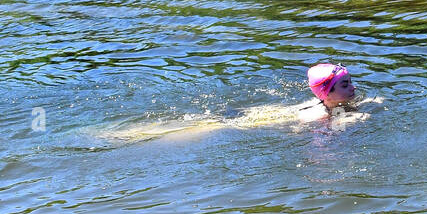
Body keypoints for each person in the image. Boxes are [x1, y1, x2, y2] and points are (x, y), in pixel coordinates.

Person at [98, 63, 380, 143]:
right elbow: (321, 141)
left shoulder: (323, 103)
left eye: (350, 81)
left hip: (262, 114)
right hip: (253, 125)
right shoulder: (318, 117)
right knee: (201, 129)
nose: (353, 86)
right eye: (345, 84)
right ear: (326, 94)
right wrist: (353, 121)